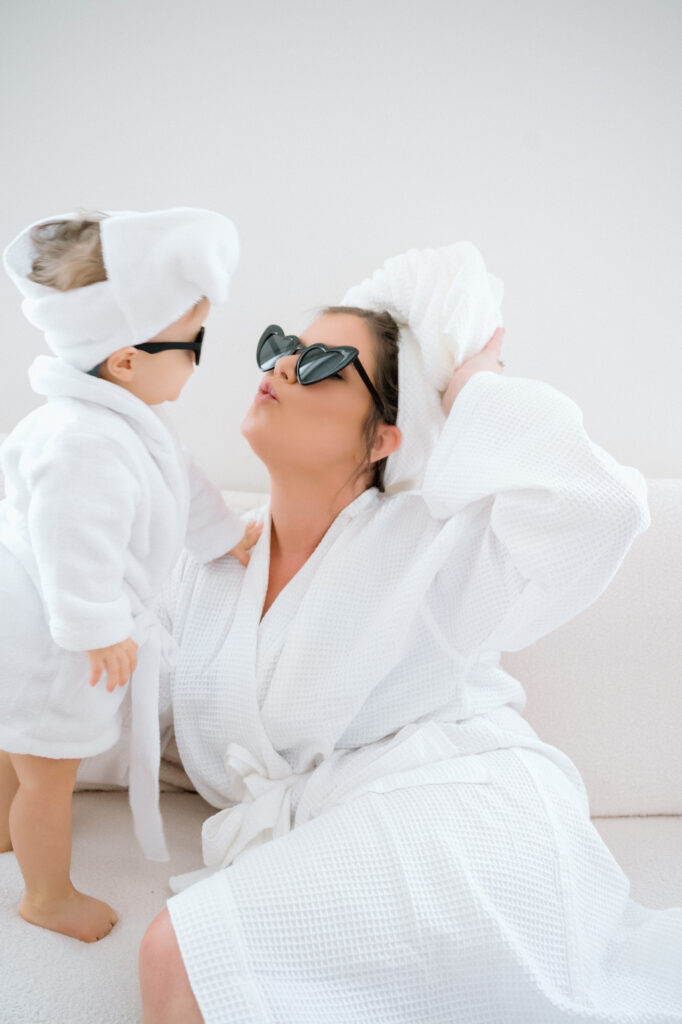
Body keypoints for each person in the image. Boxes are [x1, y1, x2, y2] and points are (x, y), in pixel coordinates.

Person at [137, 297, 682, 1022]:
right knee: (184, 958)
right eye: (280, 345)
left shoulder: (429, 542)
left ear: (382, 440)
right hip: (337, 838)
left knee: (181, 952)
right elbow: (119, 703)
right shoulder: (202, 565)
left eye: (327, 362)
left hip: (468, 808)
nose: (286, 364)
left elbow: (603, 508)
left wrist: (473, 388)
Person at [0, 208, 261, 944]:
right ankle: (45, 896)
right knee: (49, 772)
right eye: (193, 345)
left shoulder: (125, 420)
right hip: (49, 633)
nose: (199, 360)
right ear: (125, 359)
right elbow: (70, 541)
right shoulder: (84, 442)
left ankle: (0, 831)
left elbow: (183, 482)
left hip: (38, 618)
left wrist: (220, 537)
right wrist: (96, 627)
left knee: (17, 746)